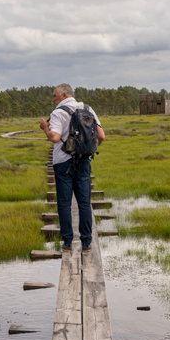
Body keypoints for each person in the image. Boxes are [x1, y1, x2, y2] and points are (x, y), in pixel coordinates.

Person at [40, 83, 105, 252]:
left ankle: (67, 242)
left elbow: (54, 137)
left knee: (64, 203)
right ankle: (86, 242)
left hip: (62, 162)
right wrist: (88, 150)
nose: (53, 99)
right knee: (84, 203)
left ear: (63, 95)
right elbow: (101, 136)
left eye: (54, 96)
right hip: (83, 161)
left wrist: (45, 128)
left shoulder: (58, 113)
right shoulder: (87, 108)